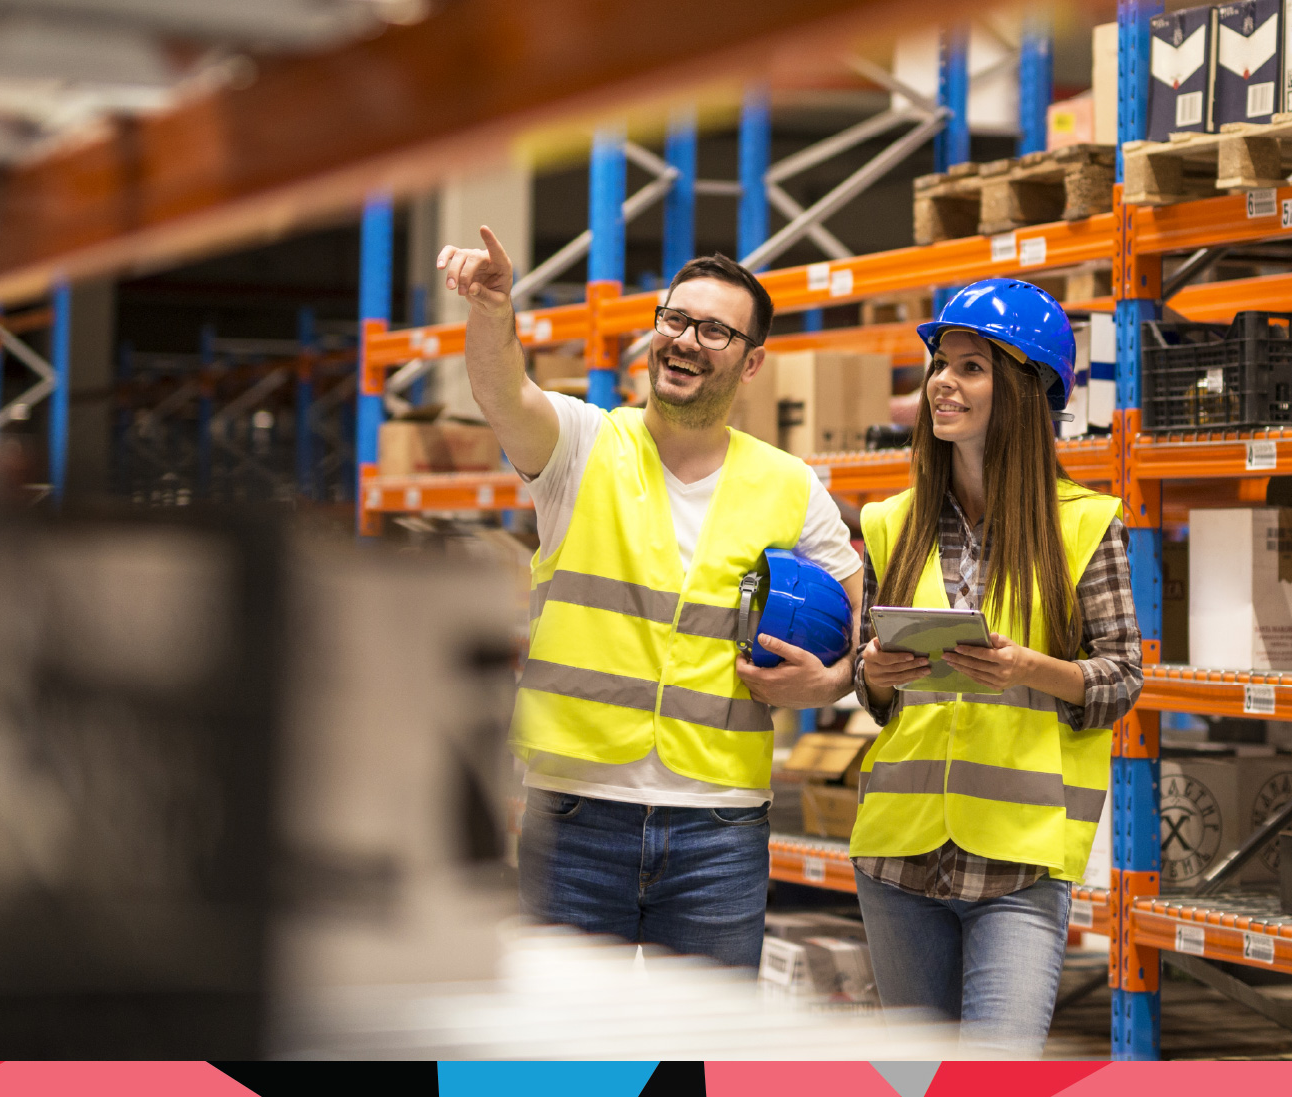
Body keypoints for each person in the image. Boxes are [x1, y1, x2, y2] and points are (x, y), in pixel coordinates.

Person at [436, 228, 862, 968]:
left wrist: (830, 679)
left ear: (751, 361)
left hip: (719, 830)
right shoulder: (581, 445)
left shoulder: (793, 486)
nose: (685, 340)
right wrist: (494, 309)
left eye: (714, 330)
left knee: (703, 1062)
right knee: (558, 1067)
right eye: (673, 319)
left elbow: (859, 638)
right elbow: (502, 390)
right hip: (575, 816)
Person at [849, 278, 1142, 1054]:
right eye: (940, 365)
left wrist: (1028, 668)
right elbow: (866, 685)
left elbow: (1121, 678)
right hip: (897, 857)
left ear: (1022, 390)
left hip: (1018, 862)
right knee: (915, 1078)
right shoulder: (891, 520)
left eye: (971, 366)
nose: (944, 382)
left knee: (996, 1074)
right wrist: (878, 669)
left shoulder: (1084, 525)